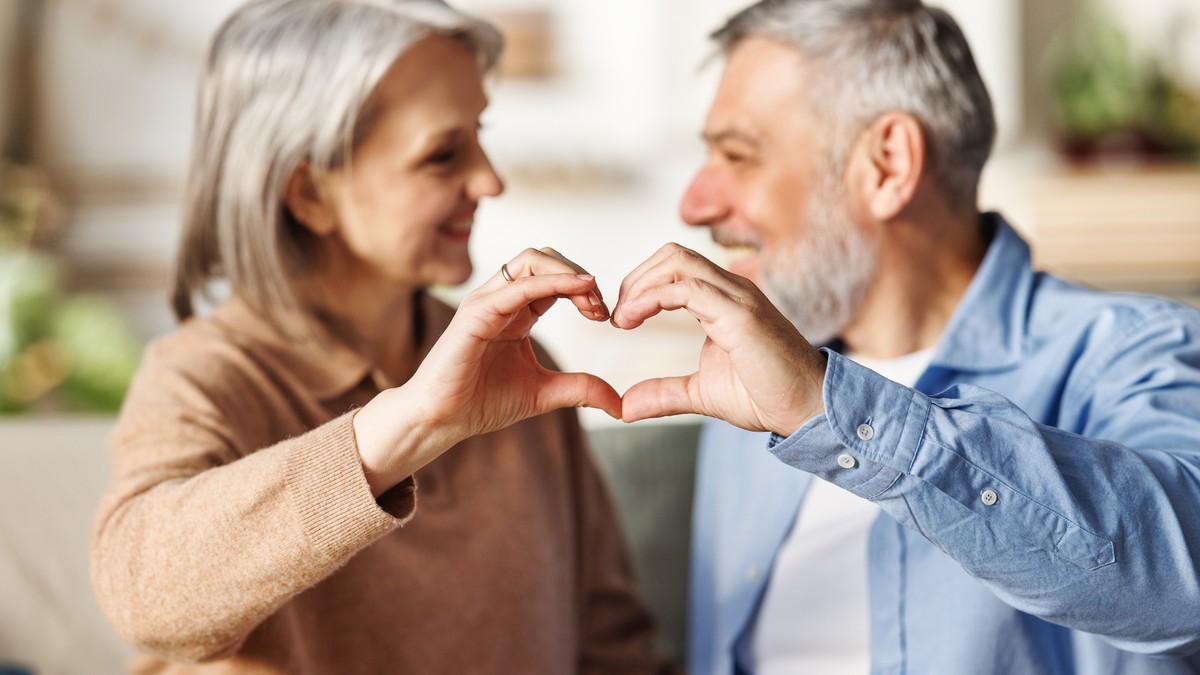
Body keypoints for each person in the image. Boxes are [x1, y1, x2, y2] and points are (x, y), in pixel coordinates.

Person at [609, 0, 1200, 673]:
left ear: (887, 165)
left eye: (738, 155)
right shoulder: (745, 384)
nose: (694, 204)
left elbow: (1185, 582)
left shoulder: (1132, 351)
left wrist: (827, 410)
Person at [88, 1, 675, 673]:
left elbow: (611, 648)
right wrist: (411, 423)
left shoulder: (520, 364)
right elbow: (140, 597)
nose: (490, 180)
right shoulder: (205, 376)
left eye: (479, 135)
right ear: (309, 194)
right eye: (443, 154)